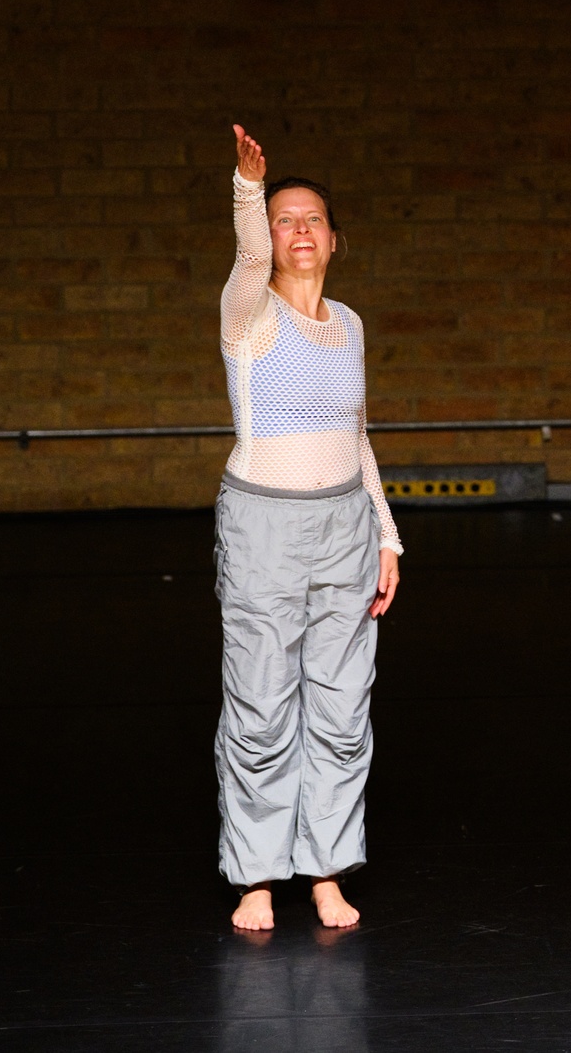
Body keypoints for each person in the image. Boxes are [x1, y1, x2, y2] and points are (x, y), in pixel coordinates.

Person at [214, 125, 403, 931]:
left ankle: (326, 868)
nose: (298, 229)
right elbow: (248, 257)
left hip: (345, 526)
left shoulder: (350, 323)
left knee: (340, 704)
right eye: (283, 218)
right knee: (261, 703)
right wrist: (247, 188)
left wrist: (386, 534)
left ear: (333, 238)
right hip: (264, 524)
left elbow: (357, 435)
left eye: (312, 218)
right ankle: (257, 874)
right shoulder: (248, 314)